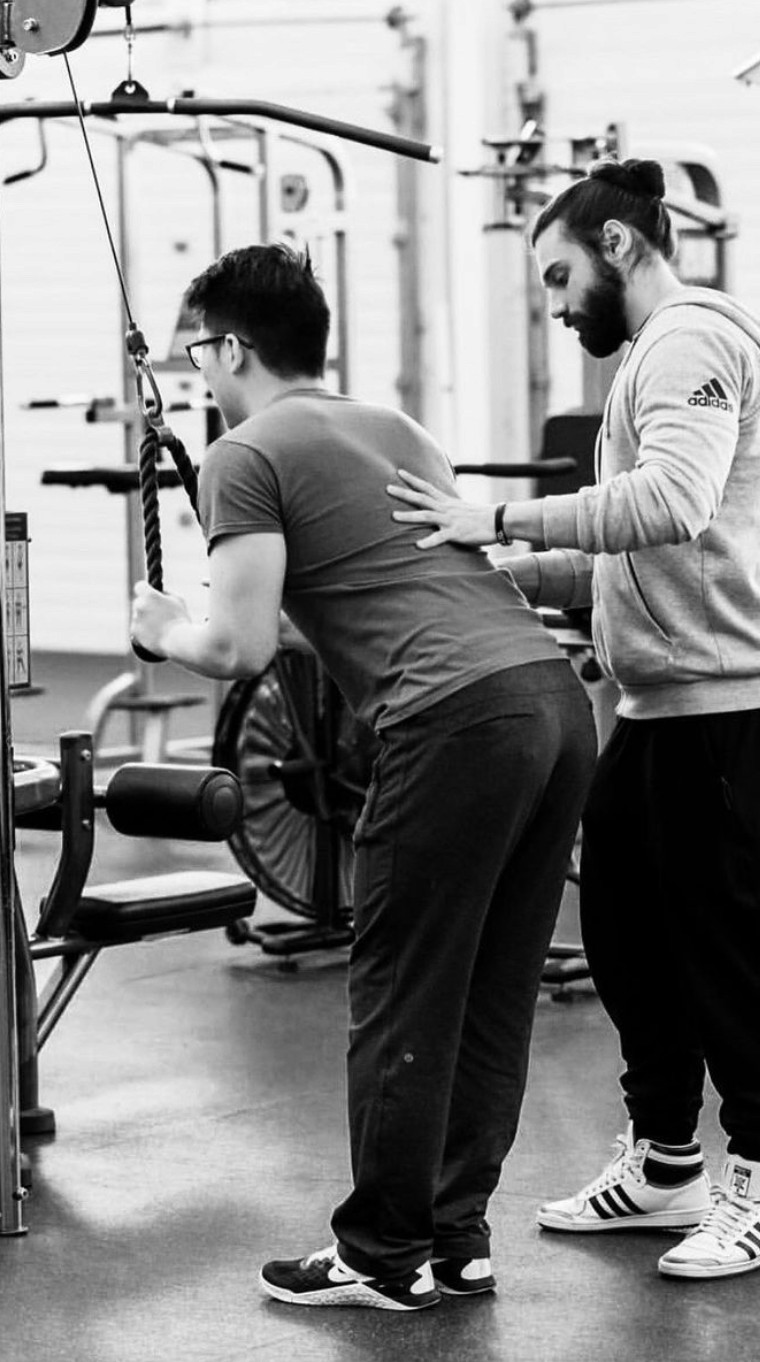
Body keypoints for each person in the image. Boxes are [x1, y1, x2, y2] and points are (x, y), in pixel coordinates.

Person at [130, 243, 597, 1311]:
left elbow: (240, 648)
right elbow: (375, 590)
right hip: (551, 700)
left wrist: (163, 628)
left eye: (199, 352)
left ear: (231, 346)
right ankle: (455, 1240)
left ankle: (382, 1254)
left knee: (400, 987)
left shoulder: (242, 454)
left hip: (455, 722)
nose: (198, 373)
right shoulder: (395, 428)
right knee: (489, 989)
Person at [387, 157, 760, 1281]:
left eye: (558, 275)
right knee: (630, 940)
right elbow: (628, 565)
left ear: (617, 247)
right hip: (660, 701)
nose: (554, 301)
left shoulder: (687, 344)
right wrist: (500, 569)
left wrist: (492, 510)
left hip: (731, 705)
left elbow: (668, 506)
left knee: (736, 957)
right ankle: (669, 1160)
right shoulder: (649, 360)